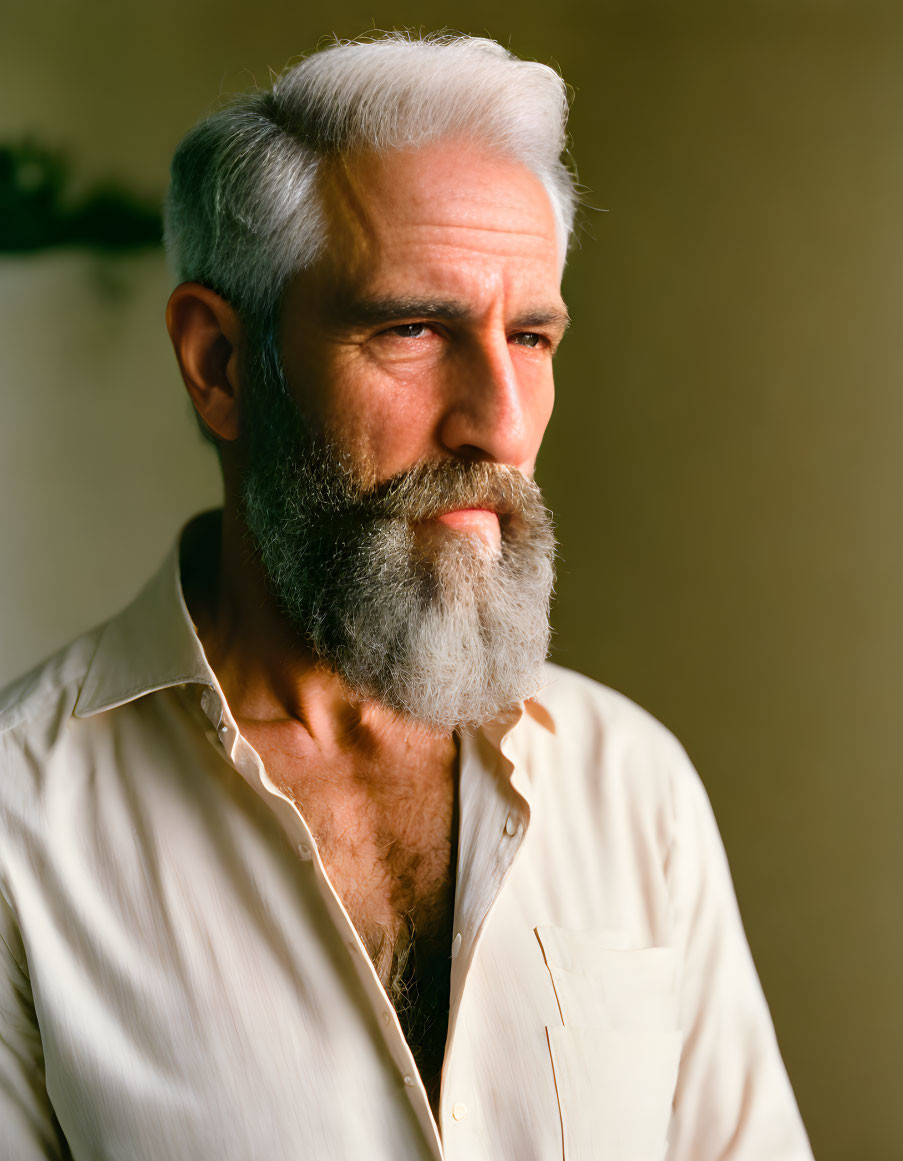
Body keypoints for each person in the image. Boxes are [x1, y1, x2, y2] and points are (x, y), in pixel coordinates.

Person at [0, 32, 813, 1161]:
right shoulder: (20, 830)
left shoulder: (634, 787)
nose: (502, 422)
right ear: (222, 364)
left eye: (530, 335)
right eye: (413, 329)